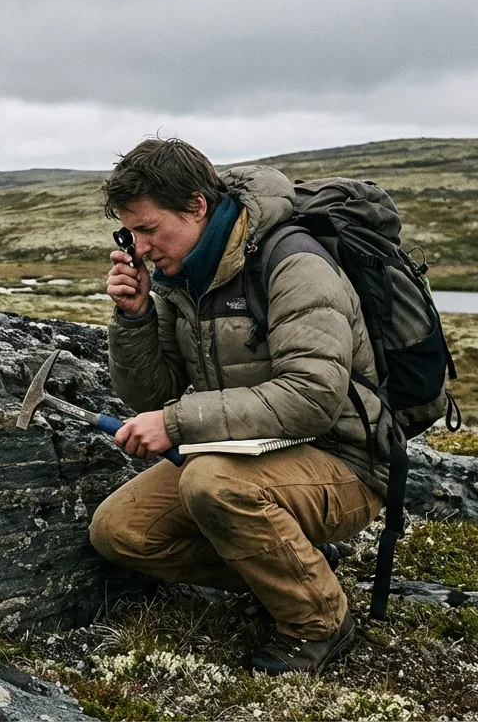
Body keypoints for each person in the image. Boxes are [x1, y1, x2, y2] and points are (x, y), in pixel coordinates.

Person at [89, 137, 386, 675]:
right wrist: (135, 317)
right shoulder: (184, 277)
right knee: (121, 532)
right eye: (129, 232)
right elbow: (153, 395)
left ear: (197, 206)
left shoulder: (292, 263)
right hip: (249, 450)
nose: (140, 247)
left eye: (150, 229)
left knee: (211, 482)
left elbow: (312, 396)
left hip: (346, 459)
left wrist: (177, 423)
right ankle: (296, 566)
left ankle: (318, 621)